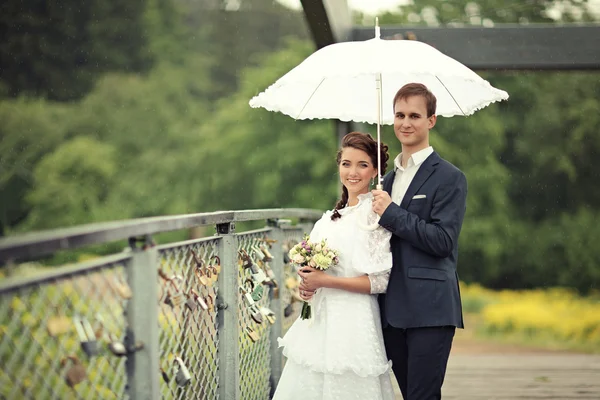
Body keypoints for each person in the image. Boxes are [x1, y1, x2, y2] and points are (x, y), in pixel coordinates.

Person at [272, 132, 396, 400]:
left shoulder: (375, 217)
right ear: (339, 166)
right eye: (346, 164)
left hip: (354, 319)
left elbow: (380, 282)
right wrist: (308, 288)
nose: (353, 172)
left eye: (362, 165)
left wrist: (326, 282)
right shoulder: (328, 219)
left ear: (375, 171)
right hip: (320, 320)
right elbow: (315, 275)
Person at [371, 82, 468, 400]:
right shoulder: (386, 179)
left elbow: (442, 241)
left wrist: (391, 213)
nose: (405, 123)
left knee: (423, 396)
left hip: (431, 307)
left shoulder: (449, 177)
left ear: (431, 120)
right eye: (399, 115)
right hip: (390, 309)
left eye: (414, 115)